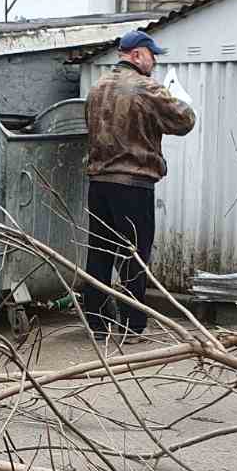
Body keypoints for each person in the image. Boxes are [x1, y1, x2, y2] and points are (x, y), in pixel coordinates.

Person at [82, 28, 196, 343]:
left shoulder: (96, 88)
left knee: (100, 253)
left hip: (99, 183)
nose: (154, 62)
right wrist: (177, 98)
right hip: (134, 184)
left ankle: (96, 324)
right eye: (151, 55)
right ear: (137, 55)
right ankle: (132, 326)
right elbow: (184, 121)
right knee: (134, 254)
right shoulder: (147, 89)